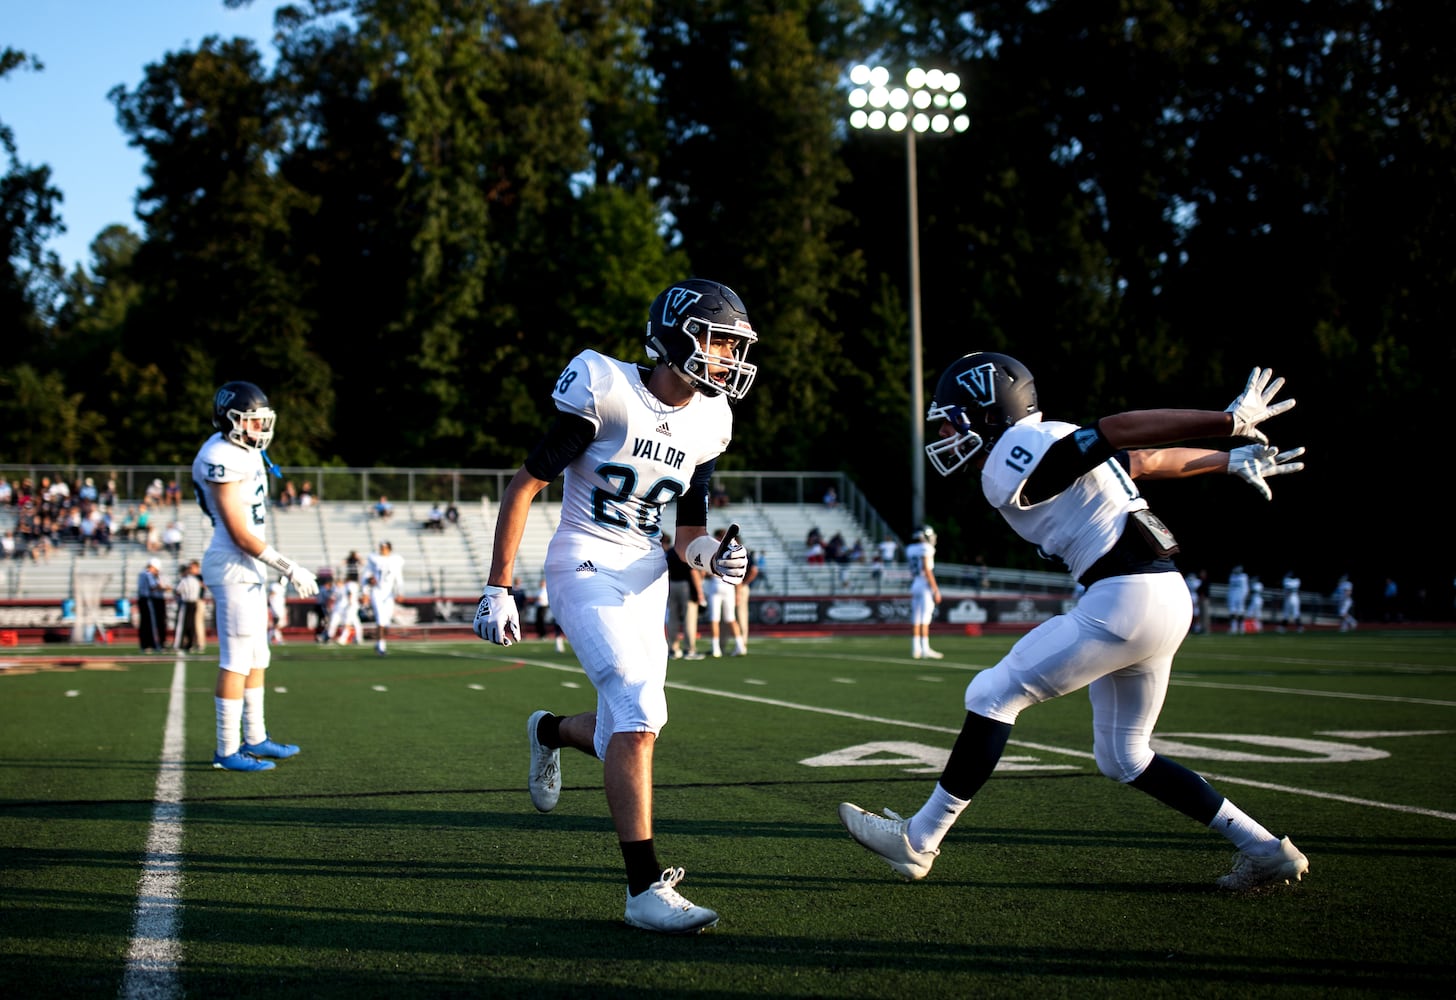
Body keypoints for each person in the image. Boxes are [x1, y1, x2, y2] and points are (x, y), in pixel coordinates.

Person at [838, 356, 1310, 890]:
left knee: (992, 693)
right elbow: (1148, 460)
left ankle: (919, 839)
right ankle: (1265, 848)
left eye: (953, 418)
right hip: (1164, 596)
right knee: (1124, 756)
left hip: (1124, 596)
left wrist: (1223, 424)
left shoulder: (1014, 456)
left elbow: (1116, 431)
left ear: (990, 415)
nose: (945, 432)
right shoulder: (1048, 439)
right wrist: (1223, 462)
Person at [471, 278, 755, 933]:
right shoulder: (604, 385)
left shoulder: (711, 421)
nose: (727, 359)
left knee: (626, 728)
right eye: (717, 343)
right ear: (676, 337)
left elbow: (687, 533)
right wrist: (497, 585)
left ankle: (547, 731)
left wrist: (718, 557)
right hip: (584, 560)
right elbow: (525, 486)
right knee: (633, 701)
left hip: (646, 574)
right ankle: (643, 888)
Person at [193, 380, 319, 772]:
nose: (258, 428)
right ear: (229, 420)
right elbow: (239, 533)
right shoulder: (219, 454)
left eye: (261, 421)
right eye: (250, 421)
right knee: (236, 659)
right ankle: (227, 748)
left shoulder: (241, 452)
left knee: (257, 656)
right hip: (232, 562)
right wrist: (288, 566)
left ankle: (256, 737)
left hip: (245, 566)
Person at [703, 527, 746, 658]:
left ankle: (716, 648)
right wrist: (738, 593)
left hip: (716, 585)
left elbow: (705, 571)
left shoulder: (714, 549)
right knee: (730, 618)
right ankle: (740, 645)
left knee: (714, 619)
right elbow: (739, 574)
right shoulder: (734, 548)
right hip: (729, 587)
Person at [662, 533, 704, 659]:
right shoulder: (686, 552)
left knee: (672, 619)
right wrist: (700, 593)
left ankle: (673, 649)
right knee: (689, 619)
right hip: (686, 586)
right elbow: (694, 572)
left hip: (671, 585)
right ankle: (690, 649)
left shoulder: (669, 552)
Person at [905, 526, 943, 659]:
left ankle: (916, 649)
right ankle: (925, 649)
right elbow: (927, 570)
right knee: (925, 619)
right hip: (924, 585)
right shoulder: (926, 548)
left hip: (915, 583)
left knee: (916, 618)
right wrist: (935, 589)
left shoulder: (910, 549)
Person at [366, 540, 406, 656]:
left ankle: (378, 643)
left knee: (386, 622)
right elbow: (367, 575)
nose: (382, 550)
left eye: (385, 548)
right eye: (381, 548)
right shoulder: (374, 559)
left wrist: (400, 592)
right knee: (380, 619)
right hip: (377, 592)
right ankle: (381, 648)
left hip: (389, 594)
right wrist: (366, 589)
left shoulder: (396, 560)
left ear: (389, 549)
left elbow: (399, 578)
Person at [136, 557, 170, 652]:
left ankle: (146, 645)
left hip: (143, 599)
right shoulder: (148, 574)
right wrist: (164, 587)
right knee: (150, 623)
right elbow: (153, 586)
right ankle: (153, 644)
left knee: (145, 623)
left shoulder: (143, 573)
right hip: (147, 600)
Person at [172, 560, 206, 653]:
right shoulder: (192, 578)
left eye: (192, 567)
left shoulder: (198, 577)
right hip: (193, 601)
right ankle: (188, 642)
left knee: (197, 623)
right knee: (190, 623)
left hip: (198, 601)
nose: (190, 569)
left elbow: (205, 586)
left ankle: (199, 643)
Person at [735, 540, 760, 650]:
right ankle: (738, 644)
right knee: (729, 617)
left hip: (738, 586)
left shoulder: (742, 553)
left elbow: (754, 570)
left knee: (740, 615)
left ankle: (741, 644)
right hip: (734, 586)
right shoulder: (743, 552)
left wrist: (744, 583)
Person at [532, 577, 566, 654]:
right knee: (541, 621)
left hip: (547, 607)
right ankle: (557, 644)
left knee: (546, 621)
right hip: (549, 608)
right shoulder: (541, 590)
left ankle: (546, 635)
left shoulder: (547, 590)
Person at [1226, 564, 1250, 635]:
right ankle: (1234, 628)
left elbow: (1246, 588)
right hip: (1233, 596)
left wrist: (1244, 596)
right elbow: (1230, 588)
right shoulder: (1232, 576)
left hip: (1240, 596)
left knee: (1240, 612)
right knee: (1232, 612)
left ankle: (1242, 628)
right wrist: (1229, 596)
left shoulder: (1244, 576)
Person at [268, 576, 288, 644]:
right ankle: (276, 637)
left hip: (280, 606)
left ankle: (271, 636)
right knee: (277, 621)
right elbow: (271, 595)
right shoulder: (274, 586)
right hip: (275, 606)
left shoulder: (282, 588)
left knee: (279, 623)